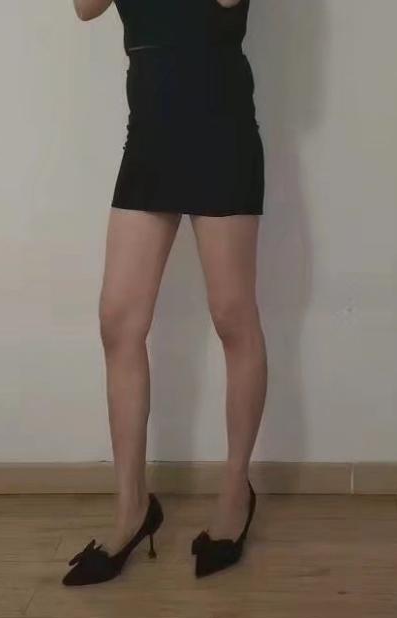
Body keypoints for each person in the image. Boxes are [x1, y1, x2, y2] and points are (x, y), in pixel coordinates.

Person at [63, 0, 266, 586]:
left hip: (221, 131)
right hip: (150, 136)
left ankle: (235, 493)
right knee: (118, 321)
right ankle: (132, 508)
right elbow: (85, 7)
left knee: (232, 316)